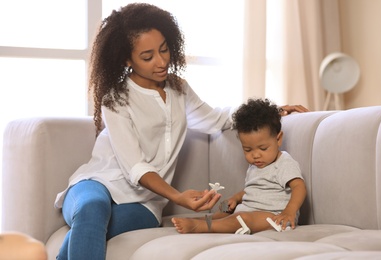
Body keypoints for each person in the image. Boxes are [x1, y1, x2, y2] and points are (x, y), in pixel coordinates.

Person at [54, 3, 308, 259]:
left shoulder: (179, 88)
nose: (162, 61)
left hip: (145, 203)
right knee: (93, 210)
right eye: (148, 56)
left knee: (93, 229)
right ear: (126, 59)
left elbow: (216, 119)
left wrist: (270, 111)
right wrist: (179, 197)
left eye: (164, 49)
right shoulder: (115, 99)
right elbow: (135, 167)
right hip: (98, 185)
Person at [172, 99, 307, 234]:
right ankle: (206, 219)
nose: (255, 156)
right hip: (249, 209)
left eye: (263, 148)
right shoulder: (255, 166)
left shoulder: (284, 162)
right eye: (248, 150)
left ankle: (202, 227)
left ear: (278, 139)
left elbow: (299, 187)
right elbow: (252, 189)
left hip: (275, 216)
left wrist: (289, 210)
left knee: (243, 218)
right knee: (225, 209)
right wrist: (235, 199)